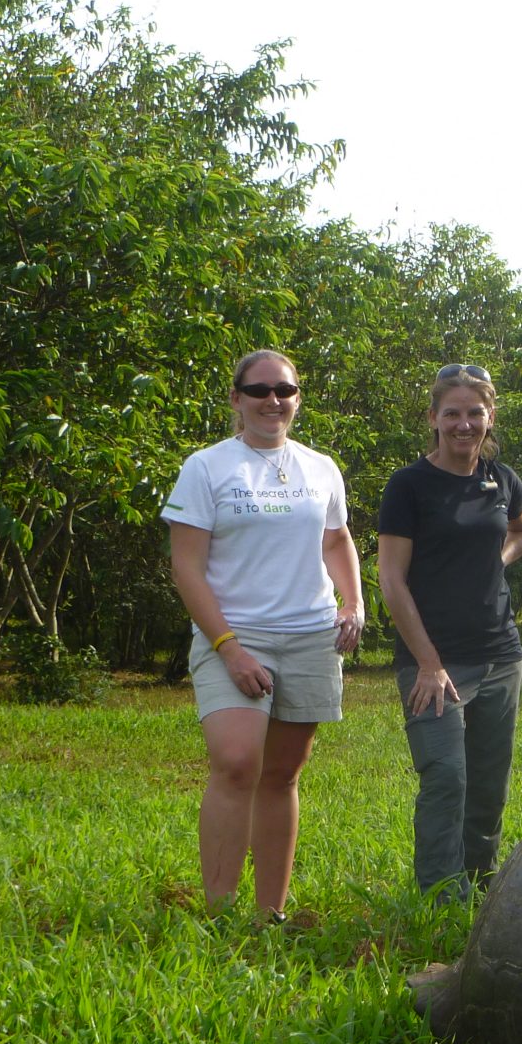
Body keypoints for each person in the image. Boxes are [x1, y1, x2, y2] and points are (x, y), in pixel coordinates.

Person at [163, 349, 365, 922]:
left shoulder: (320, 467)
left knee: (280, 776)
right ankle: (219, 911)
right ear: (236, 399)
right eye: (258, 391)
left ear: (298, 397)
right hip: (235, 632)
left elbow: (336, 540)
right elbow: (186, 568)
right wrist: (228, 648)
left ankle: (268, 913)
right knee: (235, 762)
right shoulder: (207, 467)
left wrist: (353, 601)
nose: (273, 401)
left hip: (309, 634)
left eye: (285, 390)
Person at [377, 364, 522, 900]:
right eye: (452, 413)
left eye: (475, 413)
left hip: (499, 653)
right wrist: (428, 662)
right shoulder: (409, 486)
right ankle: (441, 897)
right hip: (433, 660)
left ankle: (480, 884)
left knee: (489, 785)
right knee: (446, 775)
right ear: (433, 418)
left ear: (490, 418)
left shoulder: (502, 479)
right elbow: (391, 580)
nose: (464, 424)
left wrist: (497, 559)